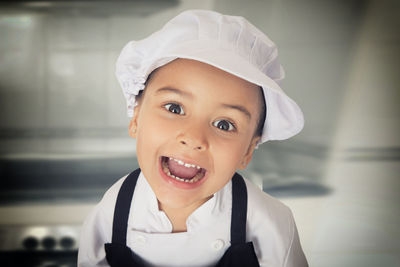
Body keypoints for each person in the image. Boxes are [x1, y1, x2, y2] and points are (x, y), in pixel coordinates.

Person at [78, 9, 308, 267]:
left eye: (224, 124)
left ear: (248, 151)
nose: (194, 137)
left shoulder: (271, 223)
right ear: (136, 117)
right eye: (174, 108)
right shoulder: (112, 210)